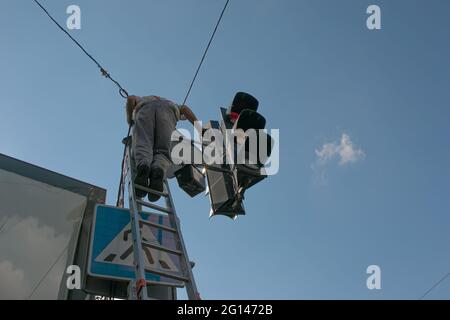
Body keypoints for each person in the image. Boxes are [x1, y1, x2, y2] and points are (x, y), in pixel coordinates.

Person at [126, 95, 198, 202]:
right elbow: (185, 109)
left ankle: (143, 167)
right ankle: (158, 170)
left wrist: (130, 120)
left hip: (144, 110)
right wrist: (200, 129)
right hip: (168, 114)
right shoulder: (171, 103)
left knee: (143, 144)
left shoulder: (143, 99)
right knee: (164, 151)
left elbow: (130, 99)